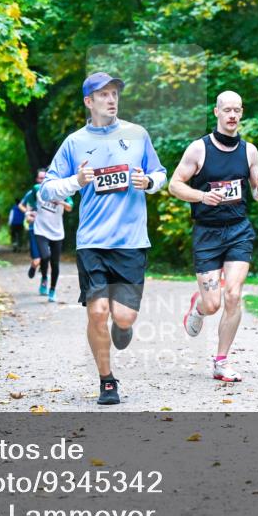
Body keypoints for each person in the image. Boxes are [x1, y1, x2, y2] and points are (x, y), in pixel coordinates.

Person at [39, 72, 167, 405]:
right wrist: (76, 181)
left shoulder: (137, 135)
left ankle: (122, 327)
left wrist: (148, 182)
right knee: (97, 312)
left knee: (122, 317)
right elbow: (46, 189)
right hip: (92, 241)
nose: (111, 99)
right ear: (89, 102)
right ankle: (107, 381)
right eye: (103, 94)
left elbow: (160, 174)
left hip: (130, 241)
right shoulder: (74, 142)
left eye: (114, 94)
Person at [168, 90, 258, 382]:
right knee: (213, 303)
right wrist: (202, 196)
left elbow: (257, 195)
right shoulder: (199, 149)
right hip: (207, 233)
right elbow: (174, 186)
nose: (232, 115)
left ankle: (221, 361)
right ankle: (199, 307)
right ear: (216, 112)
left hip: (239, 229)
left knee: (234, 294)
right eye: (227, 110)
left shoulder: (249, 151)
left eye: (237, 110)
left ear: (241, 113)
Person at [30, 184, 74, 301]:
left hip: (57, 232)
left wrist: (61, 202)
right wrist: (29, 214)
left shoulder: (63, 191)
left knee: (55, 263)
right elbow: (29, 204)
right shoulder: (37, 188)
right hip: (40, 229)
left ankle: (52, 290)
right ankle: (44, 278)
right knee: (45, 256)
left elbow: (70, 207)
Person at [19, 169, 46, 283]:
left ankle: (44, 281)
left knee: (46, 258)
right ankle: (34, 266)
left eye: (44, 178)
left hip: (48, 229)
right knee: (37, 261)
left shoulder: (52, 193)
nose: (42, 180)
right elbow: (21, 205)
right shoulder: (31, 193)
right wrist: (27, 213)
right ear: (36, 179)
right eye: (40, 178)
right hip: (34, 228)